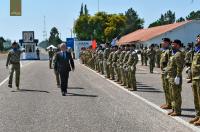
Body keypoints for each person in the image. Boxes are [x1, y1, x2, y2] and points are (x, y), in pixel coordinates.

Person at [167, 40, 184, 116]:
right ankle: (174, 109)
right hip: (171, 77)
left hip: (175, 77)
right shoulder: (173, 54)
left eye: (173, 44)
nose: (172, 45)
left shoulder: (178, 54)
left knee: (176, 95)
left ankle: (177, 111)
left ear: (177, 45)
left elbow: (179, 67)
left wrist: (178, 76)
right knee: (172, 95)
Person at [189, 34, 200, 125]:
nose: (197, 39)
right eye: (196, 37)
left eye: (199, 38)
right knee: (196, 98)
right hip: (195, 78)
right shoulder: (196, 51)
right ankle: (198, 115)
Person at [160, 38, 172, 109]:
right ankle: (168, 103)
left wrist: (167, 72)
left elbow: (170, 63)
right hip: (163, 73)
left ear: (167, 43)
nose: (162, 43)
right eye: (162, 42)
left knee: (168, 89)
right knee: (165, 88)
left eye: (164, 42)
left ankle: (170, 104)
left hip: (167, 73)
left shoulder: (169, 51)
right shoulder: (164, 51)